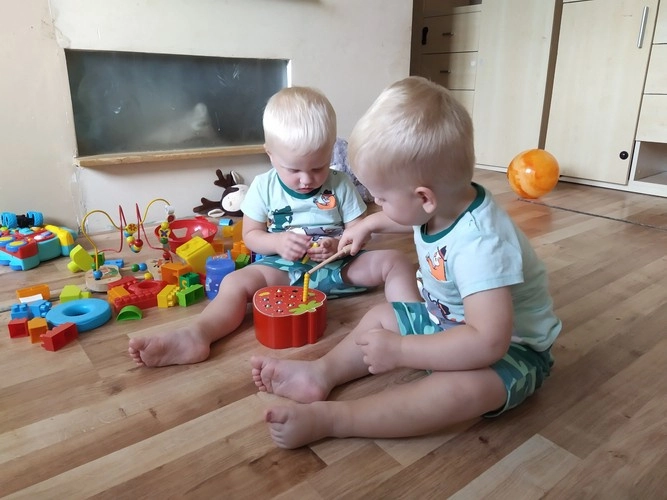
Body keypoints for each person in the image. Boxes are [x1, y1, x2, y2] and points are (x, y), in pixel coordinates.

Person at [251, 76, 562, 449]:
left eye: (381, 199)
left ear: (423, 197)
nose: (377, 205)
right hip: (447, 323)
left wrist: (401, 351)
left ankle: (335, 419)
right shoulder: (445, 203)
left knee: (463, 390)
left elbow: (488, 342)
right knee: (382, 316)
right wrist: (368, 224)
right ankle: (320, 373)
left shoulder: (481, 247)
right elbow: (408, 216)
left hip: (510, 351)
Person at [128, 86, 420, 367]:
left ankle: (416, 328)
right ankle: (197, 335)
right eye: (294, 169)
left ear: (331, 151)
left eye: (318, 167)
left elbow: (359, 230)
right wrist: (278, 243)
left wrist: (339, 245)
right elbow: (251, 236)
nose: (306, 179)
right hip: (283, 271)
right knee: (234, 283)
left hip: (338, 268)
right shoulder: (263, 186)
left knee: (395, 261)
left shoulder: (341, 184)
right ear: (270, 154)